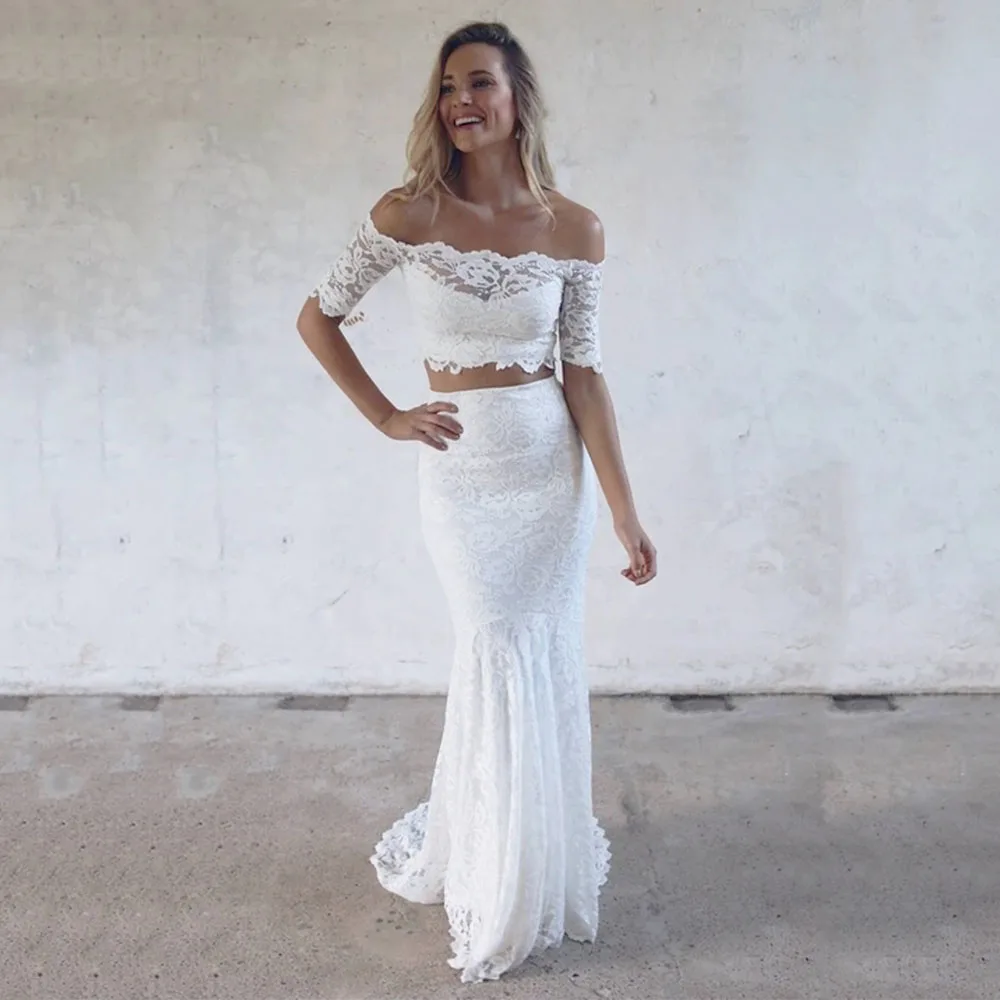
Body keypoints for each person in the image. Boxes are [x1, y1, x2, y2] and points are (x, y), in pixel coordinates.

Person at [296, 20, 657, 984]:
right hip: (461, 478)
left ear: (517, 97)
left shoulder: (575, 228)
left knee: (539, 657)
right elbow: (317, 317)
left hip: (549, 474)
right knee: (492, 648)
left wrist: (623, 511)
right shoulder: (408, 213)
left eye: (482, 83)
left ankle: (533, 859)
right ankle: (495, 876)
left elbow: (585, 377)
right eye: (450, 85)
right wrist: (386, 416)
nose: (463, 101)